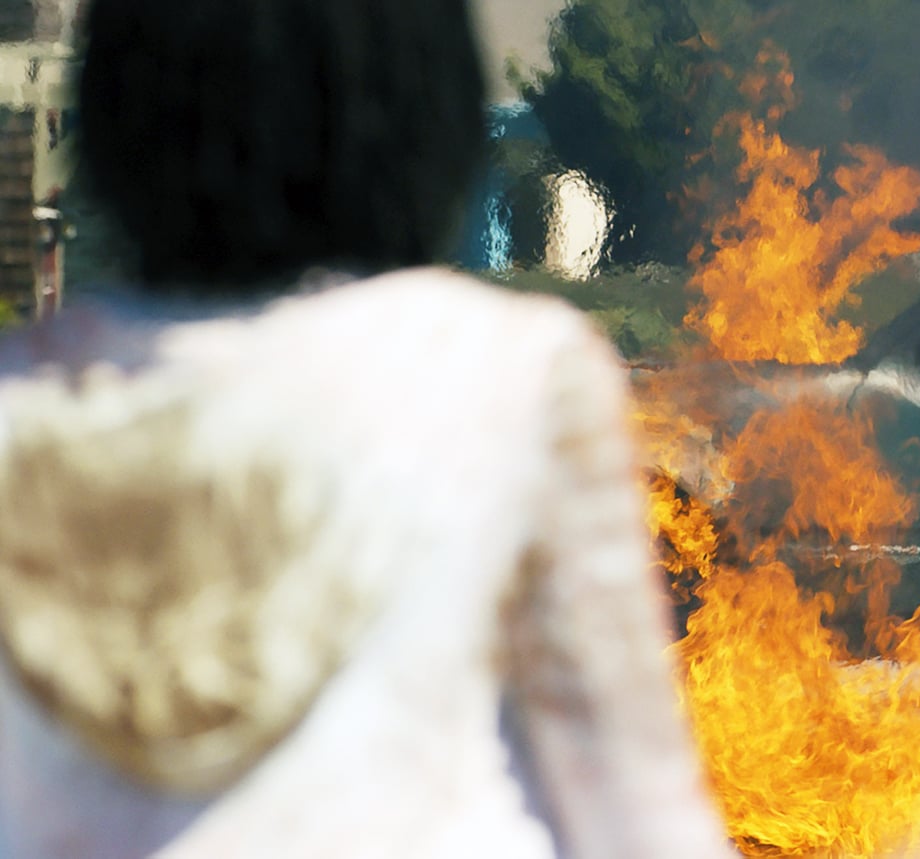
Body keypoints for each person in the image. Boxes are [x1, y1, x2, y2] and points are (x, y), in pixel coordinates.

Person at [0, 1, 736, 856]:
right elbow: (643, 822)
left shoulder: (18, 406)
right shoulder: (512, 378)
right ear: (424, 101)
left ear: (120, 97)